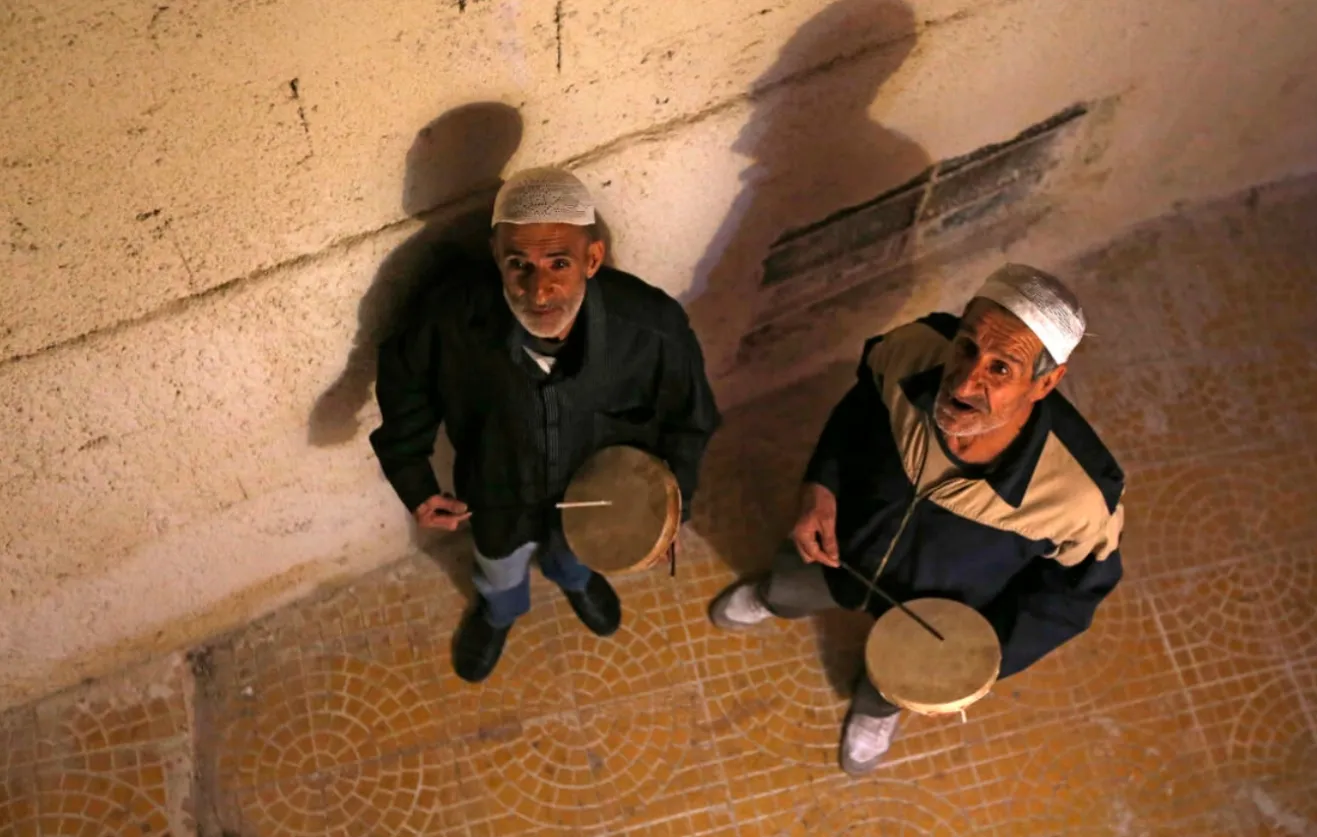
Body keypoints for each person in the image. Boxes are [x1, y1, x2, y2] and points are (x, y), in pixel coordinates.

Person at [710, 264, 1124, 775]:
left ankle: (877, 706)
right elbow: (863, 403)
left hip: (938, 616)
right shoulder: (912, 352)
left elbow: (1073, 593)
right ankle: (772, 595)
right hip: (844, 548)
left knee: (901, 677)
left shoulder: (1079, 496)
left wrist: (975, 659)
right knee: (793, 582)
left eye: (1001, 369)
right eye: (968, 346)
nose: (966, 381)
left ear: (1046, 383)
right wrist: (822, 484)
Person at [371, 167, 721, 683]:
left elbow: (690, 422)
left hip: (599, 497)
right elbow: (405, 390)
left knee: (579, 553)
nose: (539, 291)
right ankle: (500, 612)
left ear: (592, 259)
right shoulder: (449, 321)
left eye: (560, 262)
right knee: (498, 563)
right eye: (520, 266)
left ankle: (576, 579)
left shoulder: (650, 329)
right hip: (498, 492)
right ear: (497, 258)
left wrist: (672, 509)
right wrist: (414, 481)